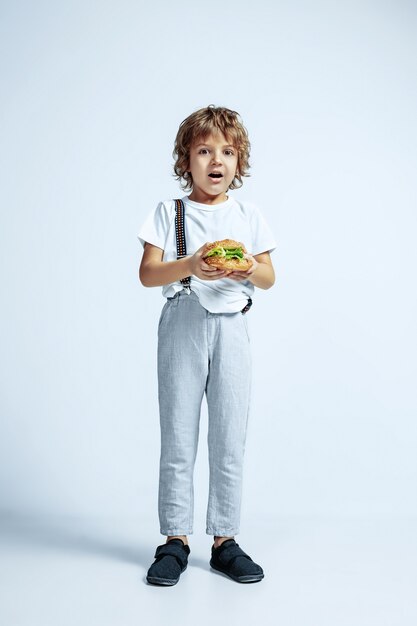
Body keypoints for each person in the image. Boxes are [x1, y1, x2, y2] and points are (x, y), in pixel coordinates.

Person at [137, 104, 277, 585]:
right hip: (183, 320)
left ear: (238, 163)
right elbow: (148, 273)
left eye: (227, 151)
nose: (216, 160)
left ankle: (224, 540)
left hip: (232, 326)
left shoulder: (248, 215)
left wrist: (244, 268)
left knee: (228, 435)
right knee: (178, 434)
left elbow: (269, 276)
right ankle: (175, 539)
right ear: (185, 161)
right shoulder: (170, 212)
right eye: (203, 150)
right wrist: (191, 265)